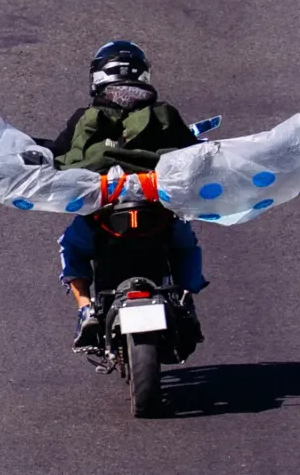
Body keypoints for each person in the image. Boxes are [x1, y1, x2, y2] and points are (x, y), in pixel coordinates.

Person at [49, 39, 207, 353]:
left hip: (103, 216)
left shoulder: (85, 117)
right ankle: (186, 302)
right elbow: (193, 153)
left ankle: (86, 309)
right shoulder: (164, 114)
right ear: (143, 75)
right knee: (185, 244)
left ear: (98, 77)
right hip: (155, 212)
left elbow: (58, 154)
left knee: (72, 248)